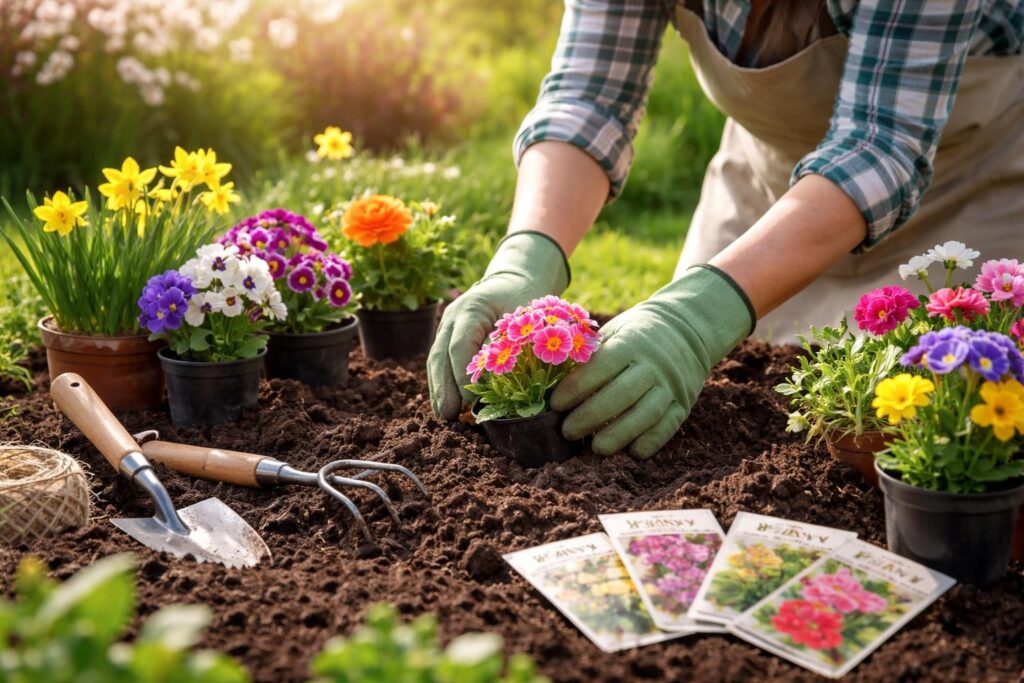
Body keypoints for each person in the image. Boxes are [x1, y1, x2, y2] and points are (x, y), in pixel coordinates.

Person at [428, 0, 1024, 459]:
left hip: (964, 190)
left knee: (931, 438)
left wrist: (695, 319)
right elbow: (588, 98)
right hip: (769, 190)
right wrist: (528, 254)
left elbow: (880, 144)